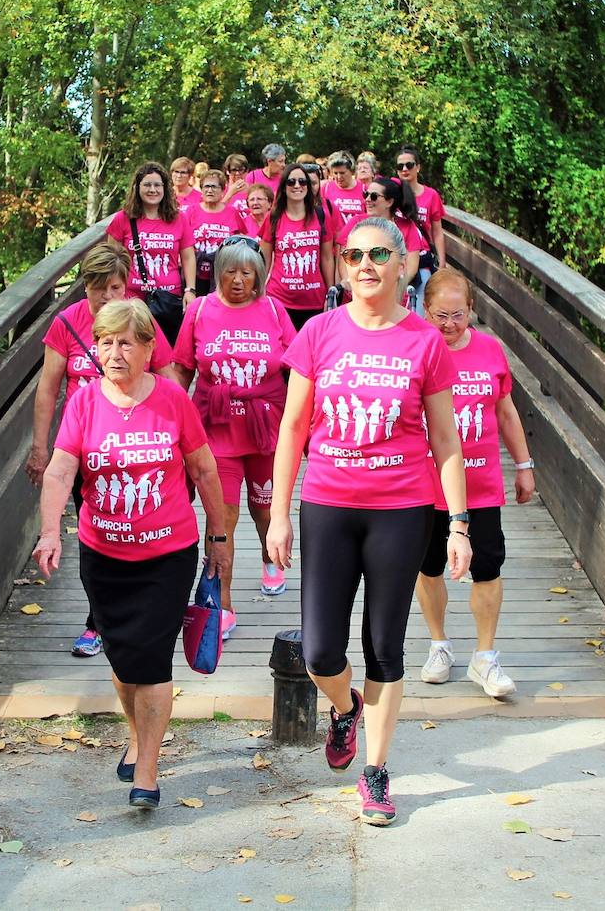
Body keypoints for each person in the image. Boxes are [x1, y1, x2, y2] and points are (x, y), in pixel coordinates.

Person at [266, 217, 472, 826]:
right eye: (354, 254)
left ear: (403, 265)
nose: (364, 265)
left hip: (401, 509)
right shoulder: (318, 331)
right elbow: (293, 428)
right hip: (329, 503)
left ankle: (377, 774)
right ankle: (344, 707)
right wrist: (278, 514)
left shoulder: (424, 341)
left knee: (385, 647)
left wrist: (459, 524)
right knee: (320, 653)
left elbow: (446, 439)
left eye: (379, 254)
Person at [33, 301, 230, 810]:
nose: (115, 353)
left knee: (153, 659)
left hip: (167, 553)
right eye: (105, 343)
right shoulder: (84, 403)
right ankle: (137, 735)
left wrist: (219, 536)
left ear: (147, 349)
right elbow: (61, 470)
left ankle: (147, 771)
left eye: (126, 343)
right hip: (103, 555)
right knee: (123, 661)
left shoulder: (172, 399)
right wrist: (50, 532)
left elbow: (204, 469)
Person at [27, 242, 178, 657]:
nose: (108, 297)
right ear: (85, 286)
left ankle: (143, 608)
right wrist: (40, 448)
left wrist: (178, 439)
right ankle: (98, 621)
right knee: (94, 534)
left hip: (140, 446)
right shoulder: (66, 323)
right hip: (86, 451)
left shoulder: (140, 321)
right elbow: (47, 389)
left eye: (115, 287)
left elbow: (168, 377)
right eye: (99, 288)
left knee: (137, 528)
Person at [416, 269, 535, 698]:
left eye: (458, 315)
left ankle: (484, 657)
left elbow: (505, 411)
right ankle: (439, 644)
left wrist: (524, 464)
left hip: (481, 483)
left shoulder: (489, 350)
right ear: (425, 310)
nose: (449, 324)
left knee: (487, 567)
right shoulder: (416, 348)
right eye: (440, 315)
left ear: (471, 311)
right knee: (428, 567)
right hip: (425, 483)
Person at [173, 237, 297, 630]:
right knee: (220, 517)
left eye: (247, 272)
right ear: (217, 274)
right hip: (216, 428)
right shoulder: (200, 311)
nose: (239, 280)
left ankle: (268, 555)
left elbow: (297, 368)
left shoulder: (274, 310)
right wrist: (168, 419)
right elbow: (182, 370)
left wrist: (306, 419)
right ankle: (222, 603)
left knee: (264, 509)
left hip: (265, 429)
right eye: (230, 271)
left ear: (258, 275)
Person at [106, 162, 197, 341]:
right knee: (133, 345)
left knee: (167, 348)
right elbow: (110, 259)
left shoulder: (179, 218)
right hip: (131, 299)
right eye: (147, 185)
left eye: (157, 185)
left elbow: (188, 257)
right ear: (137, 187)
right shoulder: (123, 218)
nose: (152, 190)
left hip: (168, 300)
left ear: (165, 188)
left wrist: (190, 290)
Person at [260, 163, 337, 332]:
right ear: (283, 186)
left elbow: (327, 258)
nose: (297, 186)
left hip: (314, 300)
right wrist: (259, 292)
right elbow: (264, 259)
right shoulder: (273, 218)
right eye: (291, 182)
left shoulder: (321, 215)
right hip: (279, 299)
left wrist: (330, 293)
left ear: (308, 187)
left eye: (302, 182)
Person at [336, 176, 428, 288]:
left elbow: (411, 267)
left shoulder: (407, 227)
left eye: (374, 196)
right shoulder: (355, 222)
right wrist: (350, 283)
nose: (367, 199)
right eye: (366, 194)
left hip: (394, 291)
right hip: (359, 289)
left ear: (389, 202)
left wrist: (392, 289)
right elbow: (343, 259)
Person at [185, 169, 248, 296]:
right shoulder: (191, 211)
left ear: (223, 190)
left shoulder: (232, 212)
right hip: (195, 275)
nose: (210, 190)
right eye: (206, 186)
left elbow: (242, 239)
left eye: (214, 186)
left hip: (222, 275)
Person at [394, 145, 446, 272]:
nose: (404, 169)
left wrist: (442, 263)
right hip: (396, 257)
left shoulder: (431, 195)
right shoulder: (392, 194)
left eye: (409, 165)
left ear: (418, 167)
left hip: (422, 256)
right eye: (400, 166)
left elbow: (437, 232)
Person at [322, 151, 366, 226]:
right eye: (335, 173)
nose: (339, 177)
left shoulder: (364, 189)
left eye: (342, 173)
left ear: (352, 171)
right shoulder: (325, 189)